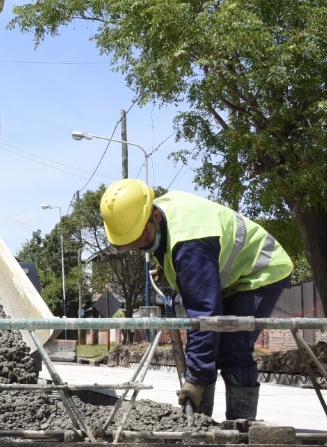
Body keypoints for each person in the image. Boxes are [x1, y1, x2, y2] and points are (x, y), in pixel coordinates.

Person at [100, 178, 292, 421]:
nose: (141, 246)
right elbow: (175, 246)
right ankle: (204, 423)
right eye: (133, 245)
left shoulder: (190, 248)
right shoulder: (157, 211)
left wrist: (195, 378)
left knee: (234, 349)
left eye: (142, 239)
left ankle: (241, 427)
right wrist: (167, 263)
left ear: (155, 217)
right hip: (228, 275)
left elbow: (205, 315)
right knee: (204, 346)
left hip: (260, 271)